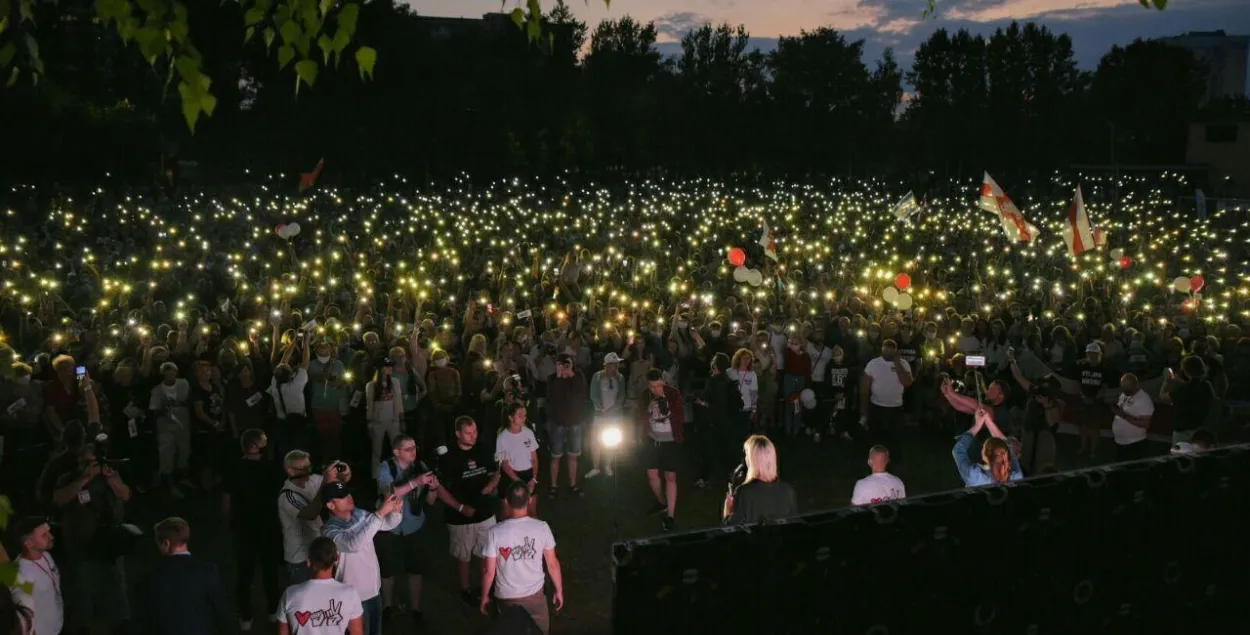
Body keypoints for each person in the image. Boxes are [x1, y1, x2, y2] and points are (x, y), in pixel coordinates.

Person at [50, 442, 131, 635]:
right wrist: (85, 478)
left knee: (115, 581)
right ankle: (83, 624)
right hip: (80, 542)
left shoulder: (109, 475)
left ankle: (120, 620)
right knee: (82, 584)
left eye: (89, 460)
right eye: (81, 460)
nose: (84, 464)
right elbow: (59, 499)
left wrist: (111, 479)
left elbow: (125, 494)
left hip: (108, 539)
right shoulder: (68, 478)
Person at [479, 481, 564, 635]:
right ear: (529, 500)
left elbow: (488, 571)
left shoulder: (495, 532)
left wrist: (484, 596)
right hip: (535, 597)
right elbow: (552, 564)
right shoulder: (542, 527)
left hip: (506, 598)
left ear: (506, 501)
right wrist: (559, 591)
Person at [321, 481, 404, 635]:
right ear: (330, 505)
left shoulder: (359, 513)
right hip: (352, 597)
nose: (348, 497)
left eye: (347, 493)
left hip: (374, 591)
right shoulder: (330, 531)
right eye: (341, 496)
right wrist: (379, 513)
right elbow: (353, 545)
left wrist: (396, 511)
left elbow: (387, 524)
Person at [374, 435, 440, 625]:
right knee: (387, 571)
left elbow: (429, 501)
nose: (413, 452)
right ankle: (387, 607)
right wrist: (415, 483)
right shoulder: (386, 467)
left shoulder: (421, 467)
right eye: (408, 449)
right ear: (396, 452)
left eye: (414, 447)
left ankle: (415, 608)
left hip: (415, 527)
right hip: (390, 528)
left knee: (415, 570)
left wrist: (433, 489)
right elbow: (389, 493)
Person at [436, 416, 501, 608]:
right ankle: (465, 589)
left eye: (475, 432)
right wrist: (460, 507)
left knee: (486, 552)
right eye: (468, 433)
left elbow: (495, 473)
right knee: (463, 555)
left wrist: (490, 486)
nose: (473, 436)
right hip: (460, 518)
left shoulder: (484, 449)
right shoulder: (448, 457)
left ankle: (486, 587)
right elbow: (439, 488)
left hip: (485, 513)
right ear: (458, 434)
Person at [221, 429, 281, 632]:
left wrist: (229, 521)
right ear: (254, 446)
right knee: (270, 571)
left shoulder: (232, 467)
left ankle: (245, 617)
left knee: (244, 573)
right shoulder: (271, 469)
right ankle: (274, 613)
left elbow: (226, 500)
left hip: (242, 528)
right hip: (268, 528)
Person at [134, 517, 228, 635]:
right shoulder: (208, 571)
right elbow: (222, 615)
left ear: (166, 543)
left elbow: (142, 622)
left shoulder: (150, 578)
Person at [279, 451, 350, 586]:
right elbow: (310, 513)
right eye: (303, 469)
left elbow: (340, 481)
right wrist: (325, 482)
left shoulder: (311, 481)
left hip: (317, 552)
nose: (308, 472)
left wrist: (343, 472)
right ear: (291, 471)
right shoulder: (286, 496)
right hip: (299, 558)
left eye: (309, 467)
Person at [277, 537, 364, 635]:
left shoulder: (290, 594)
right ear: (337, 559)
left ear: (309, 562)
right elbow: (357, 632)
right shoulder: (350, 594)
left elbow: (282, 632)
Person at [635, 368, 686, 532]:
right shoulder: (645, 396)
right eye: (653, 386)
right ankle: (662, 502)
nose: (656, 389)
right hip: (652, 440)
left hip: (670, 440)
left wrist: (669, 412)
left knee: (670, 476)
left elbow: (681, 415)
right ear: (648, 386)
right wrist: (649, 411)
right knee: (651, 474)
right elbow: (638, 417)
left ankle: (670, 516)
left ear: (663, 382)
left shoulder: (673, 393)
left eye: (659, 385)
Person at [859, 339, 913, 462]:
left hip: (896, 407)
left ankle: (894, 460)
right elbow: (865, 387)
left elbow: (908, 383)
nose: (888, 352)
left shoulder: (903, 364)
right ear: (882, 349)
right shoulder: (873, 364)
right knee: (876, 436)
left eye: (891, 349)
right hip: (877, 406)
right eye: (886, 348)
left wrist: (898, 365)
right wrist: (864, 408)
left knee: (895, 437)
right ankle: (875, 459)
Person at [723, 435, 797, 524]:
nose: (745, 459)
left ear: (752, 460)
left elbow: (730, 530)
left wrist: (727, 510)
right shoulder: (788, 490)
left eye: (747, 455)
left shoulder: (745, 493)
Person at [8, 517, 62, 635]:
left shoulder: (46, 556)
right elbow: (23, 611)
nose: (51, 537)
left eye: (49, 532)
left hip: (56, 625)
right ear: (29, 543)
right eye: (44, 535)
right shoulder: (21, 574)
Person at [546, 354, 587, 498]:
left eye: (567, 363)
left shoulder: (578, 376)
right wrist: (559, 377)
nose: (564, 367)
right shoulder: (552, 379)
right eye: (561, 364)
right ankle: (553, 485)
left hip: (575, 422)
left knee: (573, 455)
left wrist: (571, 374)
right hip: (557, 422)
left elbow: (580, 393)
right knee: (556, 455)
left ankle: (573, 484)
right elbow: (553, 398)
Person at [952, 409, 1023, 486]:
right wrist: (988, 421)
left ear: (984, 456)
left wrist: (977, 425)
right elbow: (1008, 447)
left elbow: (958, 449)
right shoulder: (1017, 477)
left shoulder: (974, 475)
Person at [586, 352, 626, 479]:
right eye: (614, 365)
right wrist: (602, 408)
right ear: (607, 365)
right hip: (600, 415)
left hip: (615, 415)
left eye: (617, 365)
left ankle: (607, 465)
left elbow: (621, 395)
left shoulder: (620, 378)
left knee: (611, 442)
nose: (616, 367)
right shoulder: (597, 377)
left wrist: (614, 408)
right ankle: (596, 467)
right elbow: (593, 395)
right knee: (596, 441)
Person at [1159, 356, 1217, 444]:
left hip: (1183, 431)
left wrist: (1166, 381)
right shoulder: (1207, 386)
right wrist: (1179, 381)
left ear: (1185, 371)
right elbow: (1194, 387)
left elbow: (1163, 397)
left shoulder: (1184, 391)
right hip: (1201, 429)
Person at [496, 402, 540, 517]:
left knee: (532, 513)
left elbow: (534, 458)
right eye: (520, 415)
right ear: (510, 417)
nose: (524, 418)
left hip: (528, 475)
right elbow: (503, 464)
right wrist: (518, 481)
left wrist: (533, 479)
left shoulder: (528, 432)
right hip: (510, 476)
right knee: (509, 514)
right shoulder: (501, 438)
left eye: (525, 415)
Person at [365, 359, 403, 481]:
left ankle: (399, 472)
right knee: (376, 451)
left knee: (397, 448)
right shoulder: (371, 385)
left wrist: (401, 419)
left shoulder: (395, 382)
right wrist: (370, 422)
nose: (390, 368)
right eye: (387, 367)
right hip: (378, 423)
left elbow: (399, 401)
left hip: (393, 421)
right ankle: (375, 476)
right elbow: (369, 405)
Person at [1111, 373, 1155, 462]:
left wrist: (1123, 415)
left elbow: (1145, 423)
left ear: (1136, 384)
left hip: (1134, 444)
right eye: (1124, 388)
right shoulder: (1124, 394)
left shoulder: (1144, 399)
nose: (1126, 391)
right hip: (1120, 442)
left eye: (1128, 388)